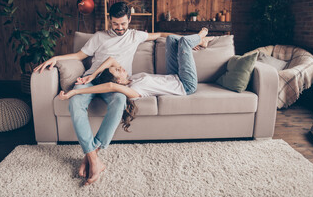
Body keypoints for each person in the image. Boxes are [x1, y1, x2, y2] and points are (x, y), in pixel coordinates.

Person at [33, 2, 206, 185]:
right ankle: (94, 160)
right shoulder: (99, 37)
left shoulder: (135, 35)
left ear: (129, 19)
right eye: (115, 24)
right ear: (110, 20)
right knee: (75, 103)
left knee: (119, 103)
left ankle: (91, 156)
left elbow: (162, 35)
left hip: (117, 81)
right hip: (89, 79)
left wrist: (187, 40)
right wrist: (56, 58)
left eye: (123, 23)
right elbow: (79, 56)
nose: (120, 28)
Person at [58, 27, 212, 131]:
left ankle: (196, 41)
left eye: (118, 67)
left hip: (174, 75)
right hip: (185, 84)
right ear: (118, 82)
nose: (121, 67)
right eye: (118, 71)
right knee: (184, 41)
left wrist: (93, 74)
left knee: (171, 39)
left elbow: (111, 59)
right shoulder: (132, 91)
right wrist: (73, 93)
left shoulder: (131, 78)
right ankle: (201, 39)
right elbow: (110, 87)